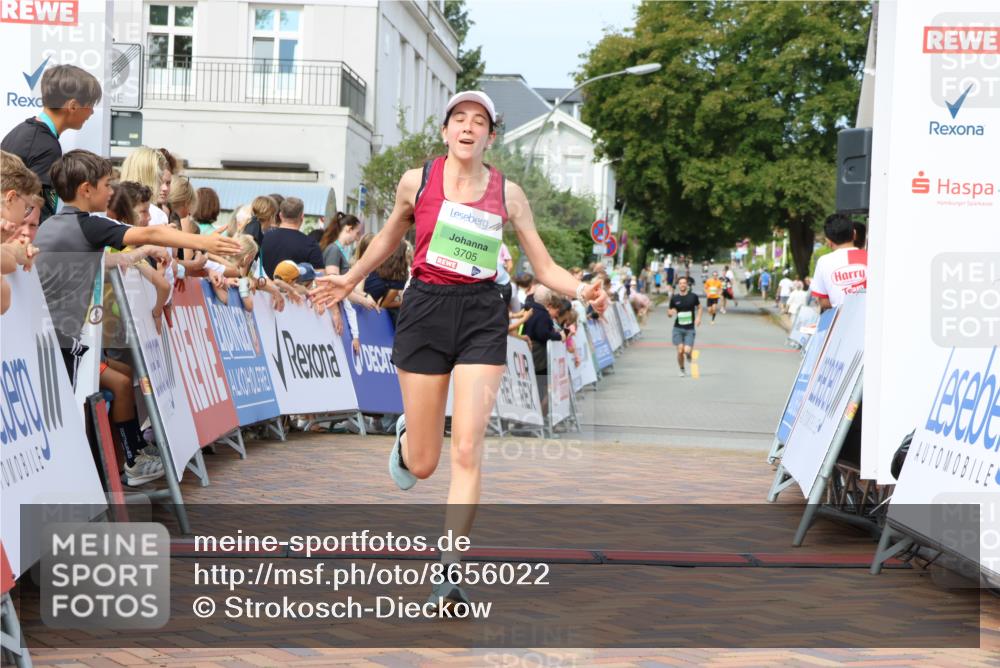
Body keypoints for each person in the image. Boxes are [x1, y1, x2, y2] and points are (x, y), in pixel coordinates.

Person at [309, 90, 607, 611]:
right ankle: (408, 439)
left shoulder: (509, 193)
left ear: (490, 136)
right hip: (425, 309)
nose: (468, 127)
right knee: (425, 464)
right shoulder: (416, 180)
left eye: (479, 121)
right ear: (446, 131)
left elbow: (542, 266)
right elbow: (387, 240)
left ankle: (449, 574)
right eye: (459, 119)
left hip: (481, 317)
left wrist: (582, 289)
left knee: (468, 449)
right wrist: (348, 280)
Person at [34, 149, 240, 387]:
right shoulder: (89, 226)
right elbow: (151, 233)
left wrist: (143, 252)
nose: (111, 191)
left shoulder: (50, 224)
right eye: (106, 185)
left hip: (45, 333)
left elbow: (99, 261)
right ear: (86, 189)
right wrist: (203, 242)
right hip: (60, 338)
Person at [2, 65, 102, 221]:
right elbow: (40, 213)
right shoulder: (47, 146)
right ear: (73, 106)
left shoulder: (20, 132)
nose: (92, 112)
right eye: (90, 105)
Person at [811, 213, 868, 312]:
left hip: (841, 319)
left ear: (828, 241)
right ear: (854, 234)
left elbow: (823, 301)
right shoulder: (870, 257)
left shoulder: (823, 262)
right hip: (871, 318)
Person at [259, 197, 324, 278]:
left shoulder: (263, 238)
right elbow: (320, 277)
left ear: (280, 215)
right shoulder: (311, 244)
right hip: (296, 286)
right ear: (302, 217)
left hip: (263, 284)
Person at [668, 276, 701, 377]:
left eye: (684, 283)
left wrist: (698, 318)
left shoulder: (693, 297)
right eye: (680, 283)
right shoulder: (674, 298)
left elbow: (699, 307)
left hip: (689, 329)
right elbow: (669, 311)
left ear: (687, 285)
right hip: (677, 328)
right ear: (678, 285)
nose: (682, 285)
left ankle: (689, 355)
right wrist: (670, 313)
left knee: (686, 350)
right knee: (680, 350)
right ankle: (682, 369)